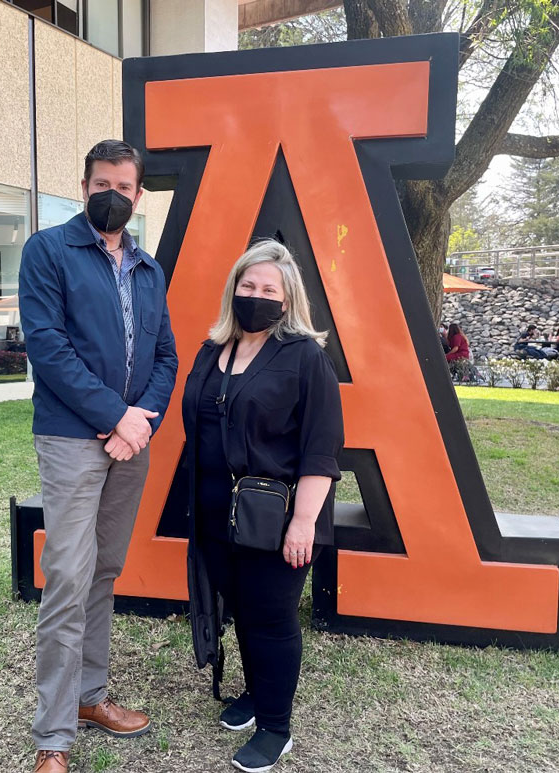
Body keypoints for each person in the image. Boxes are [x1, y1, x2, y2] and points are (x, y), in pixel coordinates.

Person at [19, 140, 178, 773]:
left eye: (125, 186)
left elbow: (165, 357)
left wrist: (135, 426)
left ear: (138, 198)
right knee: (66, 578)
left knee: (104, 572)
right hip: (71, 439)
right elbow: (48, 348)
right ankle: (53, 738)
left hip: (129, 442)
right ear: (83, 186)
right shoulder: (49, 251)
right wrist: (114, 418)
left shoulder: (149, 269)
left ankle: (90, 697)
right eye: (101, 182)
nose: (113, 193)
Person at [182, 240, 344, 773]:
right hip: (214, 514)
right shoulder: (214, 349)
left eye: (267, 289)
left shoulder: (305, 358)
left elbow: (321, 450)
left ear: (287, 297)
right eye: (247, 286)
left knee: (271, 618)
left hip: (275, 518)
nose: (256, 296)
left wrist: (304, 522)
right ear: (234, 291)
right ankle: (255, 695)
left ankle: (276, 725)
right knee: (243, 610)